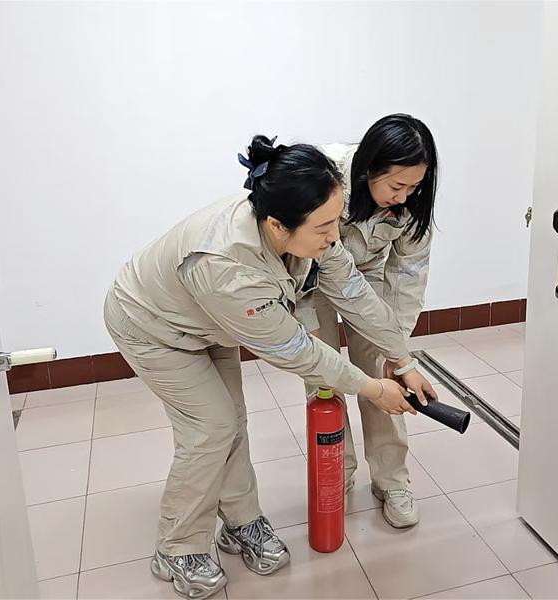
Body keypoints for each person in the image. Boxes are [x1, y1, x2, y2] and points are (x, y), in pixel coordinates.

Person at [104, 134, 437, 599]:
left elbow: (355, 292)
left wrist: (401, 359)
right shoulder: (227, 267)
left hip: (207, 322)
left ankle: (241, 521)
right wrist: (372, 388)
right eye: (325, 227)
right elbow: (298, 351)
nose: (335, 236)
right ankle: (177, 546)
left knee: (233, 421)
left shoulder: (307, 223)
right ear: (279, 226)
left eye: (336, 221)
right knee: (211, 428)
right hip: (152, 325)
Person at [297, 114, 439, 529]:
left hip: (368, 276)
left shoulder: (412, 204)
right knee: (324, 376)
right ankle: (335, 472)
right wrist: (306, 323)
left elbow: (408, 276)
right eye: (396, 186)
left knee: (383, 373)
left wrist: (399, 351)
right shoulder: (325, 177)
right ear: (369, 168)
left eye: (414, 186)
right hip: (310, 279)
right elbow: (295, 257)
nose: (404, 195)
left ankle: (392, 481)